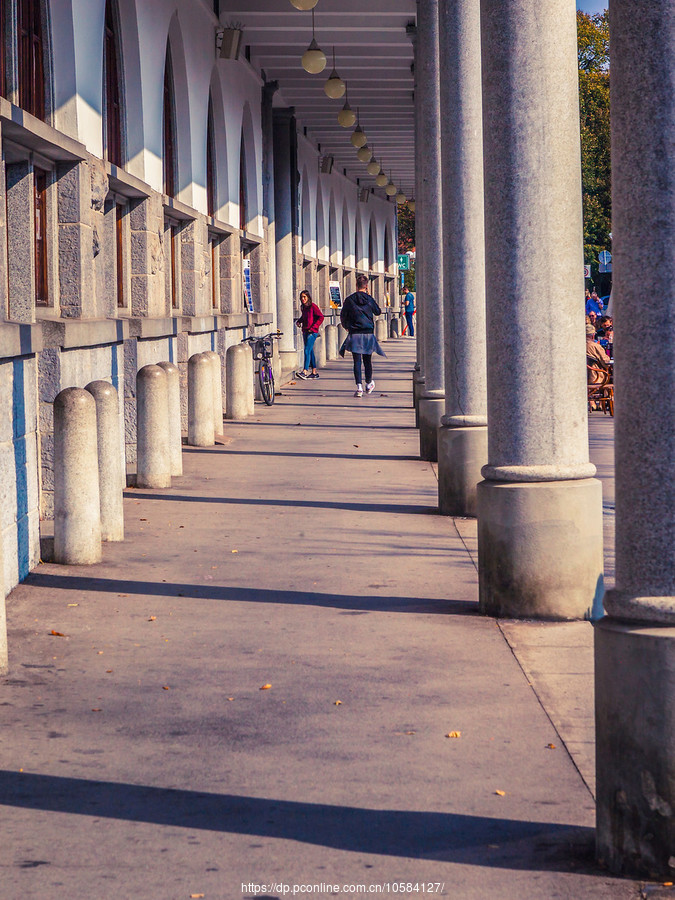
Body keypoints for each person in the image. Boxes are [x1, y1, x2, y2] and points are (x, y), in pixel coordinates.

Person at [340, 274, 385, 397]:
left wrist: (347, 326)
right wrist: (369, 296)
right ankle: (369, 382)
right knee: (367, 360)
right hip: (368, 333)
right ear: (366, 286)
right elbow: (378, 311)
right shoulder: (369, 299)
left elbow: (343, 315)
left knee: (357, 361)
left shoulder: (349, 300)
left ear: (356, 285)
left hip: (354, 333)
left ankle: (359, 387)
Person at [295, 290, 324, 380]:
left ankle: (305, 371)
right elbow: (304, 317)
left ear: (308, 297)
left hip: (312, 332)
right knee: (310, 351)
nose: (303, 299)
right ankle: (314, 372)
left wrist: (314, 327)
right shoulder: (304, 307)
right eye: (301, 297)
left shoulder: (313, 306)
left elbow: (321, 317)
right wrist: (299, 321)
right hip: (305, 330)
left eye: (304, 297)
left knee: (307, 350)